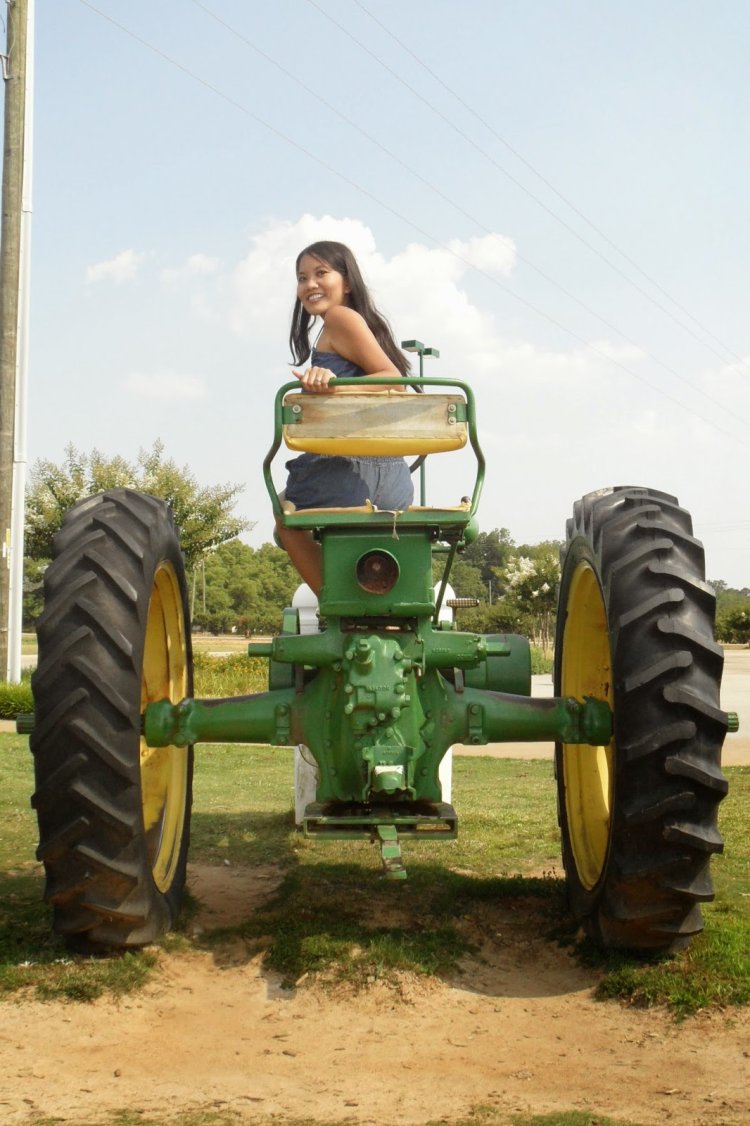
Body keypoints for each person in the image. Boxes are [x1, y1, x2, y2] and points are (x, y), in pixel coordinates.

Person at [276, 240, 414, 594]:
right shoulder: (352, 324)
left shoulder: (339, 318)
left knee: (284, 516)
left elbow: (394, 382)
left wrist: (334, 387)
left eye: (321, 273)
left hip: (348, 477)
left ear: (347, 282)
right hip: (395, 482)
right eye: (302, 277)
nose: (310, 284)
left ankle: (337, 602)